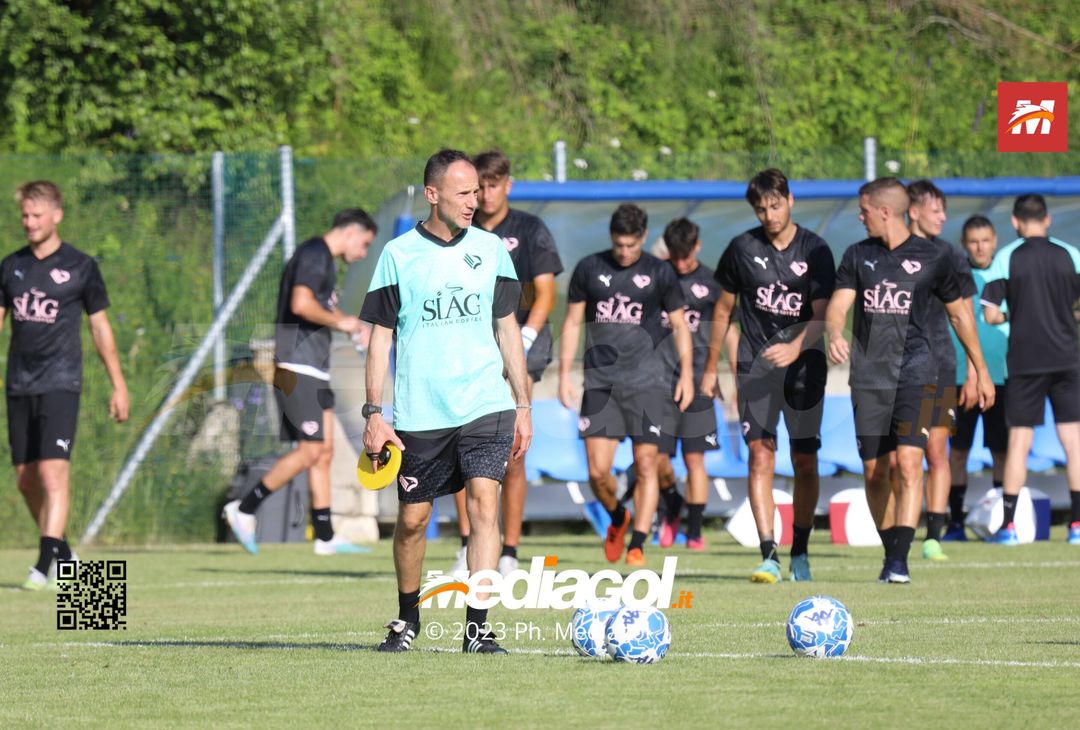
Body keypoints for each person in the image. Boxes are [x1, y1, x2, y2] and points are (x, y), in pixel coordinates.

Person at [360, 149, 531, 654]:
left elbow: (508, 329)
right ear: (432, 195)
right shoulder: (398, 255)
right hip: (421, 413)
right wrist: (374, 413)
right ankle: (407, 617)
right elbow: (380, 340)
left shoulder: (492, 249)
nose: (474, 201)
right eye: (463, 192)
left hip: (485, 402)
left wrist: (524, 405)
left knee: (484, 503)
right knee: (412, 522)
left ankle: (477, 629)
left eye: (477, 191)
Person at [826, 177, 994, 584]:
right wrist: (834, 333)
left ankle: (900, 560)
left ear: (884, 211)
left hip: (920, 372)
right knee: (874, 472)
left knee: (909, 460)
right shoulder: (856, 255)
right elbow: (838, 306)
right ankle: (893, 549)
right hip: (869, 378)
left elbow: (960, 315)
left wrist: (980, 369)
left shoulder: (935, 258)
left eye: (864, 210)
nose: (859, 216)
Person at [702, 168, 835, 583]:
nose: (769, 215)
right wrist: (711, 368)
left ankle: (800, 549)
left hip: (805, 370)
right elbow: (723, 311)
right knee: (760, 456)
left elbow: (823, 314)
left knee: (804, 462)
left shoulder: (816, 249)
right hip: (754, 372)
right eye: (761, 209)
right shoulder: (741, 248)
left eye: (775, 205)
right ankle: (769, 554)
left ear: (790, 200)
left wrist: (796, 347)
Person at [223, 209, 376, 556]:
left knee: (324, 452)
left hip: (316, 368)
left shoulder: (326, 261)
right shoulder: (314, 254)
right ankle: (244, 508)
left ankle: (325, 537)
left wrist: (346, 326)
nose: (364, 253)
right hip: (297, 365)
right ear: (350, 232)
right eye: (365, 243)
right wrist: (347, 323)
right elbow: (301, 303)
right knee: (309, 450)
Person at [2, 181, 129, 590]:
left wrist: (118, 385)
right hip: (19, 383)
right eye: (25, 215)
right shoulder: (11, 266)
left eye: (36, 215)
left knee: (54, 475)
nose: (29, 222)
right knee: (25, 479)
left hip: (61, 382)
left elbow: (99, 328)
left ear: (57, 215)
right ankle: (62, 552)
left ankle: (42, 565)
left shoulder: (81, 266)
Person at [558, 203, 693, 567]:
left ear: (644, 238)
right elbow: (572, 323)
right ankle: (619, 516)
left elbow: (680, 326)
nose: (625, 252)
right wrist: (564, 374)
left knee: (646, 463)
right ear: (611, 238)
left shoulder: (660, 271)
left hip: (648, 383)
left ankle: (637, 544)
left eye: (632, 245)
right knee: (597, 473)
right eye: (619, 244)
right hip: (600, 383)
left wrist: (689, 377)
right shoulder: (589, 268)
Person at [448, 149, 563, 577]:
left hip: (521, 346)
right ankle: (468, 546)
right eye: (479, 186)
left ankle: (509, 551)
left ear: (508, 185)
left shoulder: (530, 230)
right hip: (474, 350)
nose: (486, 194)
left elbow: (546, 293)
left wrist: (526, 336)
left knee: (512, 450)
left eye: (493, 185)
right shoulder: (461, 228)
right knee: (461, 448)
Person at [981, 194, 1080, 546]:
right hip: (1068, 358)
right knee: (1073, 442)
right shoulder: (1071, 255)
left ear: (1015, 222)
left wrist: (1015, 316)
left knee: (1019, 443)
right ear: (1048, 220)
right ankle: (1077, 526)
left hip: (1025, 361)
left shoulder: (1007, 258)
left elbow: (991, 314)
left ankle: (1008, 527)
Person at [905, 180, 977, 561]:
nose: (943, 218)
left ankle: (933, 534)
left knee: (937, 449)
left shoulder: (951, 255)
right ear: (913, 211)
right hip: (901, 370)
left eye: (944, 211)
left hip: (943, 365)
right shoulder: (893, 253)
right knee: (904, 456)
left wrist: (977, 372)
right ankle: (899, 531)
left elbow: (965, 314)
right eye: (937, 211)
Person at [654, 218, 720, 551]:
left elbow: (725, 330)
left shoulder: (711, 283)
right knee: (655, 460)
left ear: (697, 247)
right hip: (658, 382)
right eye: (674, 255)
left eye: (686, 256)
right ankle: (672, 503)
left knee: (695, 459)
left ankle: (694, 531)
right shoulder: (656, 275)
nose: (680, 263)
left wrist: (721, 373)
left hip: (698, 379)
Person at [946, 216, 1009, 539]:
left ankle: (1003, 522)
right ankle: (955, 522)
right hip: (958, 379)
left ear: (995, 240)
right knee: (957, 451)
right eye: (973, 241)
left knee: (1002, 451)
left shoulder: (1007, 275)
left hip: (1002, 378)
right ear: (963, 243)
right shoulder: (956, 279)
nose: (980, 247)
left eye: (985, 240)